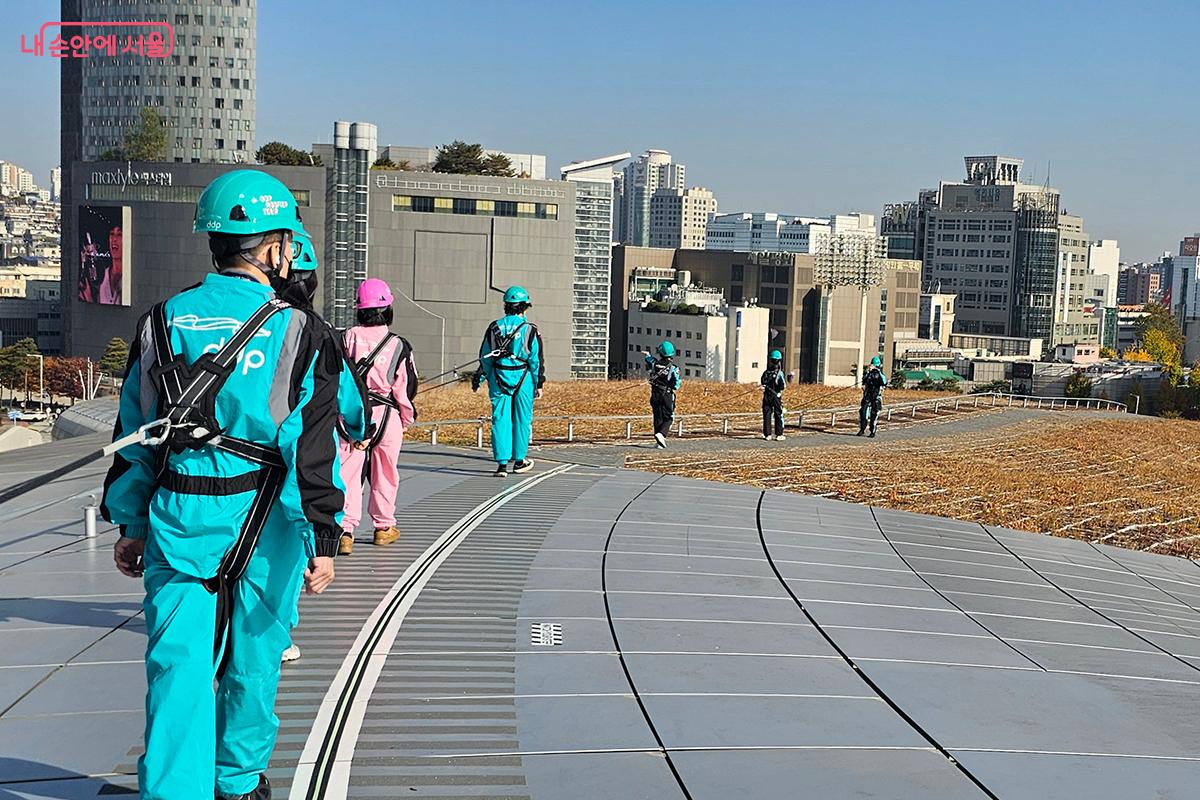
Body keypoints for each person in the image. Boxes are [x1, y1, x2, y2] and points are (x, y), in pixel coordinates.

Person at [101, 169, 346, 800]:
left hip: (180, 516)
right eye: (287, 240)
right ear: (270, 248)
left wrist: (130, 524)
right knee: (254, 664)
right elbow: (312, 448)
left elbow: (137, 429)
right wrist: (322, 534)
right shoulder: (303, 332)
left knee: (178, 667)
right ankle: (237, 785)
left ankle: (173, 791)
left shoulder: (162, 322)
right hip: (269, 529)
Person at [277, 232, 369, 664]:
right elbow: (349, 399)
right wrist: (357, 426)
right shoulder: (318, 334)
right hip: (290, 471)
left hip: (204, 477)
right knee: (281, 561)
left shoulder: (187, 315)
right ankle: (275, 635)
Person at [337, 277, 417, 552]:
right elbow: (405, 387)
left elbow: (336, 378)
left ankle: (344, 531)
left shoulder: (345, 337)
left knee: (347, 473)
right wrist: (405, 417)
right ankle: (383, 527)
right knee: (386, 473)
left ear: (359, 309)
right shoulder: (398, 344)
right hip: (387, 414)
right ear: (388, 309)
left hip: (351, 415)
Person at [472, 286, 544, 477]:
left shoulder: (494, 327)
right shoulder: (530, 330)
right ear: (524, 307)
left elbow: (485, 357)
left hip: (498, 376)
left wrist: (481, 377)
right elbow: (535, 360)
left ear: (506, 306)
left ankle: (502, 464)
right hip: (523, 377)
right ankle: (519, 460)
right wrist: (538, 383)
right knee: (522, 419)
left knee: (500, 419)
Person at [645, 341, 681, 449]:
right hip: (666, 394)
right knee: (668, 417)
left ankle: (659, 442)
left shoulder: (655, 364)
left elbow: (649, 359)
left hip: (655, 393)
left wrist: (648, 355)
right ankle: (662, 434)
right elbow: (676, 384)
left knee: (657, 417)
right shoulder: (674, 368)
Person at [858, 355, 887, 438]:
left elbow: (884, 382)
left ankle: (872, 431)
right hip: (867, 396)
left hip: (876, 397)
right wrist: (868, 372)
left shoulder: (881, 375)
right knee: (863, 412)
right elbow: (863, 381)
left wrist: (878, 371)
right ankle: (862, 429)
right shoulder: (868, 374)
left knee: (874, 414)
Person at [761, 349, 786, 441]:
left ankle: (767, 434)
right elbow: (783, 386)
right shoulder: (779, 373)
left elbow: (763, 382)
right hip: (776, 396)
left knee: (767, 414)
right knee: (778, 414)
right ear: (779, 361)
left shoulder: (766, 372)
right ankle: (779, 434)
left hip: (766, 396)